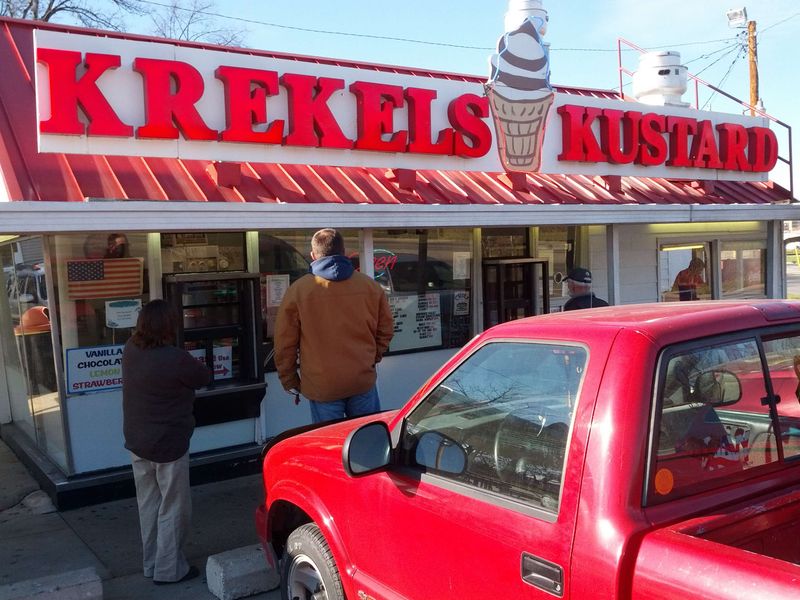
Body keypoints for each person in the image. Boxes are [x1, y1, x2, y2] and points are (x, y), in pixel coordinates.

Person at [121, 299, 211, 585]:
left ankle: (151, 564)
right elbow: (203, 377)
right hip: (168, 443)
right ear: (169, 326)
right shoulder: (176, 358)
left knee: (148, 504)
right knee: (173, 507)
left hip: (137, 440)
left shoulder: (130, 349)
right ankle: (169, 570)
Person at [275, 228, 394, 423]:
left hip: (322, 385)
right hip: (361, 380)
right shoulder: (370, 286)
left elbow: (284, 343)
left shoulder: (298, 291)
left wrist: (289, 380)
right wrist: (371, 358)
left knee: (330, 439)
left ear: (313, 255)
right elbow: (386, 330)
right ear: (344, 252)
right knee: (368, 436)